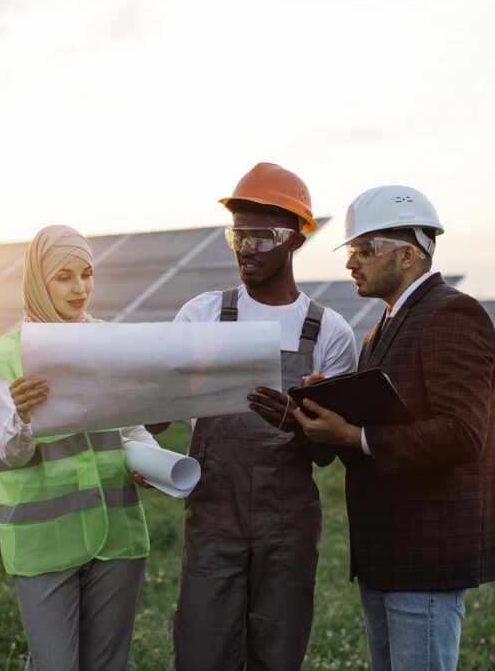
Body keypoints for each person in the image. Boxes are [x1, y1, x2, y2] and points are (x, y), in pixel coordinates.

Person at [150, 163, 358, 670]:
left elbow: (328, 455)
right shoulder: (202, 315)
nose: (246, 249)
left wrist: (299, 424)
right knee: (201, 651)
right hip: (214, 518)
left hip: (286, 527)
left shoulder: (328, 333)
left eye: (261, 238)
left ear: (295, 240)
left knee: (277, 654)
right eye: (237, 236)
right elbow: (153, 414)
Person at [290, 186, 495, 670]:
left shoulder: (452, 313)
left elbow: (461, 433)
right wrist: (335, 403)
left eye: (365, 250)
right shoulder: (383, 326)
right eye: (351, 251)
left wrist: (355, 436)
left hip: (424, 552)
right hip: (386, 550)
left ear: (409, 254)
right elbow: (392, 415)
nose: (351, 263)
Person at [0, 225, 157, 671]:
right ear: (38, 280)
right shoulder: (1, 358)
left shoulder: (109, 342)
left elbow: (131, 428)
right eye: (64, 276)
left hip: (118, 536)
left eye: (87, 274)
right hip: (44, 542)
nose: (80, 289)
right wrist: (23, 416)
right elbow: (7, 454)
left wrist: (151, 458)